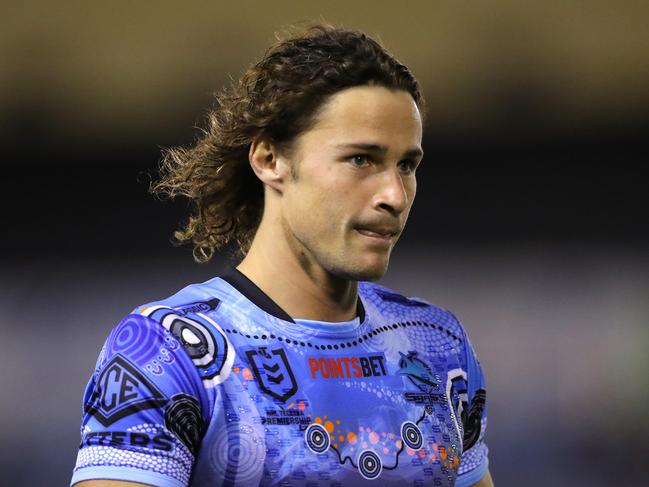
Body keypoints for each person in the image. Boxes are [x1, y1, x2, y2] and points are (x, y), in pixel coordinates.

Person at [71, 24, 493, 487]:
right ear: (270, 160)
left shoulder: (437, 347)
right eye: (361, 159)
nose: (394, 194)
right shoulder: (166, 353)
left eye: (406, 165)